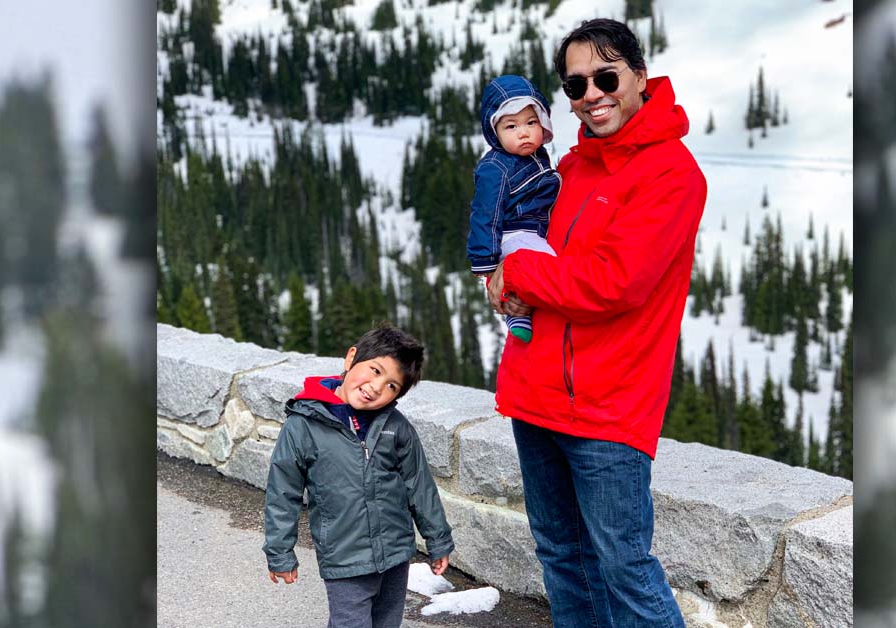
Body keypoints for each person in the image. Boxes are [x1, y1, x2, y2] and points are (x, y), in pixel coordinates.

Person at [486, 18, 707, 628]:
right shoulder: (575, 167)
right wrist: (505, 284)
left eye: (606, 76)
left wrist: (522, 273)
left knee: (624, 568)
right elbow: (547, 261)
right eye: (576, 85)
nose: (592, 94)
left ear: (639, 76)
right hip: (537, 393)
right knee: (562, 556)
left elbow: (615, 283)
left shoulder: (672, 173)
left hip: (609, 406)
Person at [262, 325, 454, 628]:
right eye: (375, 370)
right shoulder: (303, 426)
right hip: (345, 558)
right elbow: (282, 494)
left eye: (392, 385)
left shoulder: (396, 426)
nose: (377, 387)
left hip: (394, 555)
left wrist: (438, 539)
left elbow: (419, 485)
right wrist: (280, 553)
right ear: (351, 357)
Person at [467, 74, 561, 343]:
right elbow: (486, 213)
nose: (523, 132)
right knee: (548, 268)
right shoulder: (495, 168)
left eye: (531, 122)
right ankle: (516, 313)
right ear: (494, 131)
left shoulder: (536, 156)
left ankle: (521, 309)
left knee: (545, 263)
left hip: (532, 230)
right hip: (514, 233)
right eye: (511, 126)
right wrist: (485, 261)